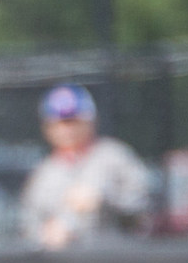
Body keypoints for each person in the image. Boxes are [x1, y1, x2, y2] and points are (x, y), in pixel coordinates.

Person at [19, 85, 151, 249]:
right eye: (59, 123)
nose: (67, 129)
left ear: (91, 121)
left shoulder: (115, 157)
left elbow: (144, 208)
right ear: (47, 128)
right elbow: (28, 224)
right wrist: (45, 233)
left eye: (73, 121)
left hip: (117, 260)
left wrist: (103, 198)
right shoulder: (43, 174)